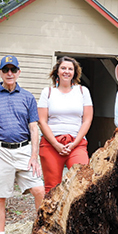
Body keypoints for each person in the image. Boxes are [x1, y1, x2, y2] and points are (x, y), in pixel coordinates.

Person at [0, 55, 44, 234]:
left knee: (39, 189)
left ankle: (41, 231)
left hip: (23, 150)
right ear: (0, 73)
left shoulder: (28, 97)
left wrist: (34, 156)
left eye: (13, 70)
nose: (9, 73)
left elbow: (34, 128)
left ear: (18, 73)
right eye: (5, 70)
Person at [37, 56, 93, 195]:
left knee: (81, 183)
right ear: (57, 71)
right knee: (52, 188)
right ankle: (51, 217)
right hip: (51, 144)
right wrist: (56, 144)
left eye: (70, 69)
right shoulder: (48, 92)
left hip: (76, 143)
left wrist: (74, 144)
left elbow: (87, 120)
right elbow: (42, 121)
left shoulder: (82, 91)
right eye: (63, 68)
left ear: (75, 72)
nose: (66, 71)